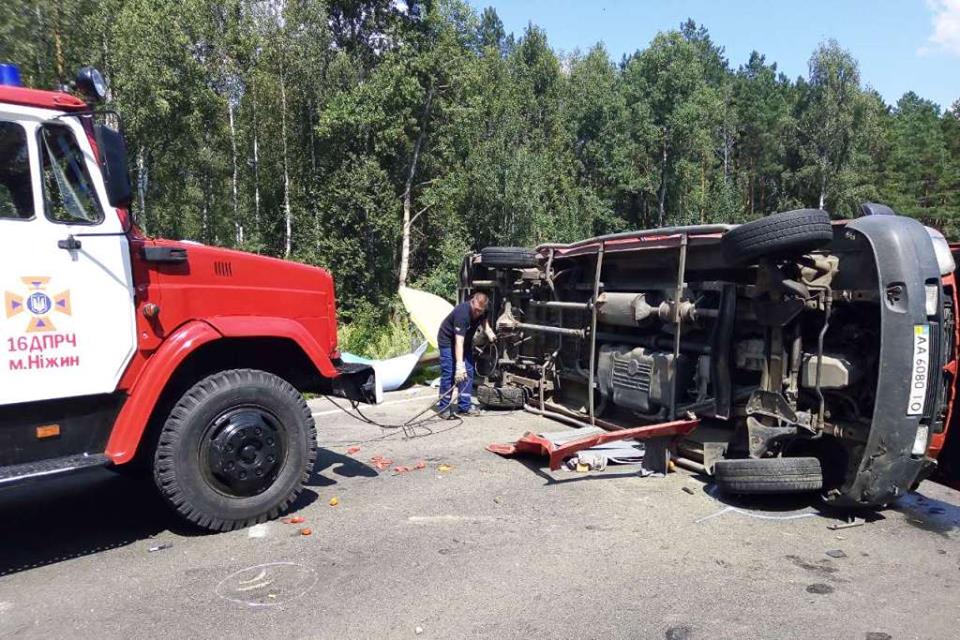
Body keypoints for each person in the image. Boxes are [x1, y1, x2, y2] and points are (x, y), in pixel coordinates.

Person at [437, 292, 496, 417]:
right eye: (476, 310)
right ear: (472, 301)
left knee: (468, 372)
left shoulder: (483, 310)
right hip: (448, 340)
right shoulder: (462, 313)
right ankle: (444, 408)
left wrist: (489, 332)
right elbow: (458, 342)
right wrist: (459, 366)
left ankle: (464, 406)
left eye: (480, 311)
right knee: (450, 372)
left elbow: (484, 321)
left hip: (465, 341)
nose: (477, 313)